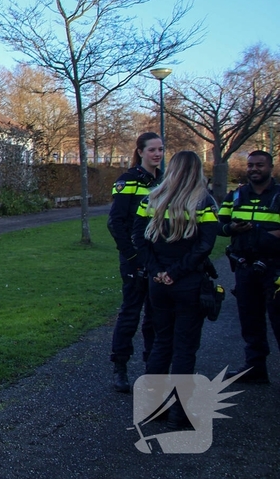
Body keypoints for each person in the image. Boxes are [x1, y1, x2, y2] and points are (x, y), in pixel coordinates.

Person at [133, 150, 219, 379]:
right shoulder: (204, 202)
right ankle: (180, 402)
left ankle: (153, 397)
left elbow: (138, 239)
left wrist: (156, 270)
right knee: (185, 346)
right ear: (197, 171)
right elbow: (205, 245)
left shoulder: (151, 199)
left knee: (162, 341)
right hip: (188, 282)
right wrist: (175, 272)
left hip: (158, 282)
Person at [106, 132, 163, 393]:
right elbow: (116, 222)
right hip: (134, 258)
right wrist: (131, 256)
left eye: (160, 149)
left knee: (156, 314)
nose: (157, 154)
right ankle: (120, 367)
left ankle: (152, 368)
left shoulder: (164, 181)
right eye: (152, 150)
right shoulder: (127, 181)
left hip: (158, 258)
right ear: (140, 152)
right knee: (130, 313)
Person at [218, 150, 280, 384]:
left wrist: (264, 235)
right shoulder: (236, 196)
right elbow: (218, 225)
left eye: (259, 165)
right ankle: (255, 368)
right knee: (250, 319)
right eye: (251, 165)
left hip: (275, 268)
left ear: (270, 167)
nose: (254, 169)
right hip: (245, 266)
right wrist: (232, 229)